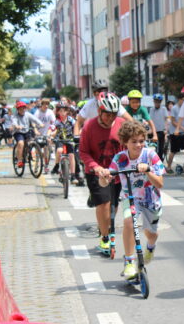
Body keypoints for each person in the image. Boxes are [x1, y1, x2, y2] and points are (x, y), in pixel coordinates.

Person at [99, 121, 165, 279]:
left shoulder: (150, 155)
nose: (138, 145)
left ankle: (150, 246)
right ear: (125, 142)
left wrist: (148, 170)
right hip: (131, 198)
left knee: (151, 233)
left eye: (141, 141)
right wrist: (104, 176)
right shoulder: (120, 158)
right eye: (134, 141)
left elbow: (160, 183)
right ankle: (129, 262)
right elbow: (105, 182)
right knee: (129, 222)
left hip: (151, 198)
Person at [79, 92, 125, 252]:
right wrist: (96, 167)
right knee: (104, 203)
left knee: (114, 204)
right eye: (107, 115)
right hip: (96, 172)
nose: (110, 118)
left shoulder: (121, 124)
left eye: (113, 115)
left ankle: (106, 227)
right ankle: (105, 237)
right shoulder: (89, 127)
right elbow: (83, 152)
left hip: (116, 172)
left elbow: (126, 147)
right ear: (99, 111)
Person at [50, 102, 82, 183]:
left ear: (67, 111)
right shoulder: (57, 121)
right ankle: (57, 166)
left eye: (64, 111)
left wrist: (78, 135)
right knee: (59, 151)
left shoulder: (71, 120)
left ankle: (73, 175)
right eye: (60, 111)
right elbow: (52, 128)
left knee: (71, 155)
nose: (62, 113)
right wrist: (50, 134)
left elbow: (77, 126)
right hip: (59, 140)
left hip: (69, 140)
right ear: (58, 112)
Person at [12, 101, 43, 167]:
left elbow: (35, 119)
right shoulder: (15, 115)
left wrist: (40, 123)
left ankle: (27, 153)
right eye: (21, 109)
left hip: (27, 131)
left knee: (31, 142)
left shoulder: (27, 114)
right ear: (18, 109)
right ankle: (19, 160)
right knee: (20, 143)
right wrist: (17, 126)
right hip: (18, 132)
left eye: (24, 108)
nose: (22, 110)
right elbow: (14, 122)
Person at [165, 96, 184, 174]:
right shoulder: (174, 108)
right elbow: (173, 121)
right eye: (183, 99)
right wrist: (182, 128)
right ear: (179, 99)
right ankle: (168, 167)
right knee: (173, 150)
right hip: (174, 133)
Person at [35, 98, 57, 174]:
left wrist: (51, 132)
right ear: (42, 105)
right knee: (38, 151)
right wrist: (36, 130)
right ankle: (36, 164)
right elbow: (33, 122)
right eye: (45, 104)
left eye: (48, 104)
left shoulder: (50, 112)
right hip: (39, 133)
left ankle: (46, 166)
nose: (46, 106)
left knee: (46, 150)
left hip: (47, 133)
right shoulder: (37, 112)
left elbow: (54, 122)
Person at [149, 93, 169, 160]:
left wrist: (166, 129)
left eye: (158, 101)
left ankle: (160, 160)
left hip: (161, 131)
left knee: (161, 148)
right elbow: (149, 120)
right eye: (155, 101)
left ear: (160, 102)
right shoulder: (152, 109)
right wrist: (149, 129)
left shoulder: (164, 109)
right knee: (152, 147)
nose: (156, 103)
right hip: (153, 131)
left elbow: (166, 119)